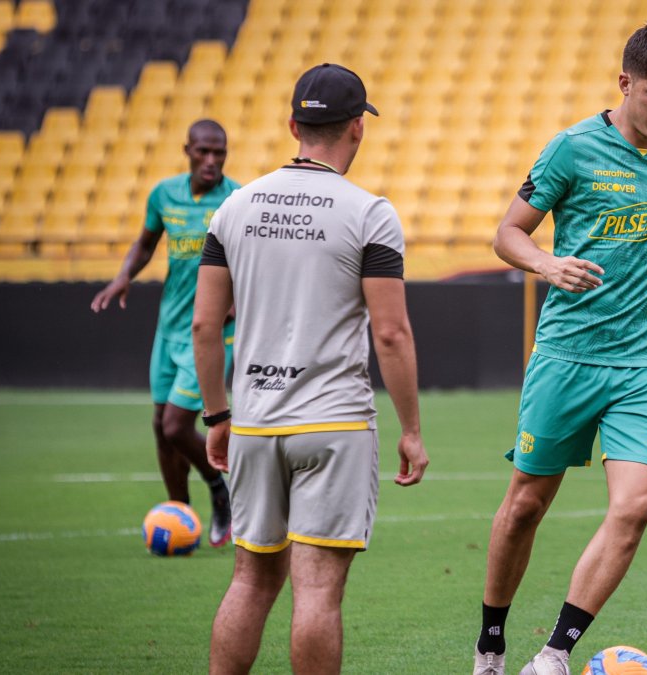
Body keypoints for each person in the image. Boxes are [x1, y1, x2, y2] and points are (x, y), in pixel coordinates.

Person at [473, 23, 647, 675]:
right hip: (568, 355)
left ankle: (554, 654)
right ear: (625, 83)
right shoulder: (572, 150)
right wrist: (546, 264)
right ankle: (490, 645)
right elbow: (509, 233)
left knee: (636, 507)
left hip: (646, 362)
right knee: (526, 505)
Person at [193, 63, 429, 675]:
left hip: (253, 422)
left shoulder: (233, 208)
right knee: (318, 590)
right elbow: (391, 333)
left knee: (250, 580)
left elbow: (204, 327)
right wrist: (410, 430)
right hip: (334, 426)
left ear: (294, 126)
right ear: (357, 128)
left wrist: (216, 416)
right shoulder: (370, 212)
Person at [90, 119, 237, 548]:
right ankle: (179, 517)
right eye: (203, 151)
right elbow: (146, 242)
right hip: (169, 327)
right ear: (187, 150)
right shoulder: (164, 194)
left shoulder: (237, 200)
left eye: (219, 153)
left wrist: (239, 300)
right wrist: (124, 276)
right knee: (160, 425)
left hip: (210, 334)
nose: (211, 160)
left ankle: (219, 490)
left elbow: (257, 263)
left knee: (176, 426)